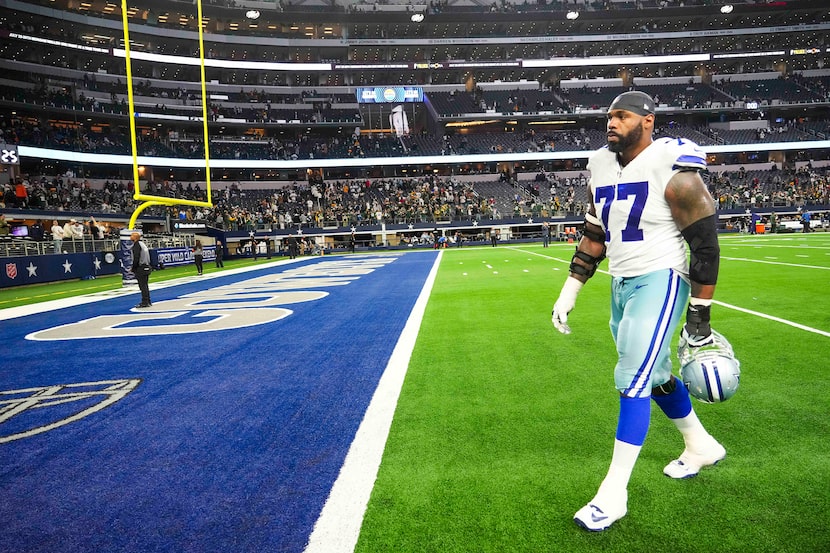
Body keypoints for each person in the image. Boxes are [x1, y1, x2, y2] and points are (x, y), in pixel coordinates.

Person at [551, 91, 725, 531]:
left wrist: (699, 316)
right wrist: (571, 287)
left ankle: (613, 493)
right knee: (657, 374)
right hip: (622, 283)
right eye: (609, 116)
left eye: (622, 116)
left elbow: (704, 245)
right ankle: (700, 444)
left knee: (633, 377)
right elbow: (595, 231)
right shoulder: (600, 163)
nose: (611, 123)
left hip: (662, 278)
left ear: (648, 121)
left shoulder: (672, 164)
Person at [130, 232, 152, 308]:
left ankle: (145, 301)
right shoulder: (143, 244)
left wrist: (133, 268)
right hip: (146, 266)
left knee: (142, 286)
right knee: (145, 285)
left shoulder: (137, 245)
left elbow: (136, 257)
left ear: (135, 237)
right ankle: (148, 300)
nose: (130, 237)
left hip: (141, 267)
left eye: (132, 236)